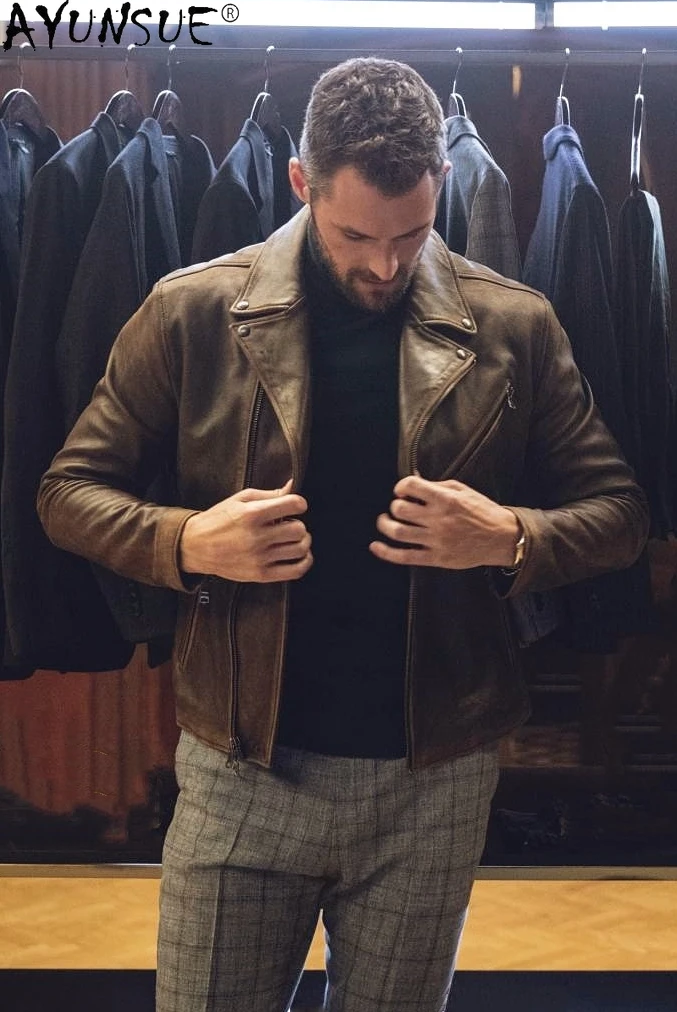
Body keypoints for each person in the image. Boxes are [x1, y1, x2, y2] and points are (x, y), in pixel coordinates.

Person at [38, 58, 648, 1012]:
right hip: (244, 768)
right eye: (356, 234)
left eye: (411, 233)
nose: (386, 265)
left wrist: (508, 536)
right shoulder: (194, 309)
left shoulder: (512, 323)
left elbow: (618, 513)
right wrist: (188, 542)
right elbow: (67, 491)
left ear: (440, 181)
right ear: (301, 182)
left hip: (433, 777)